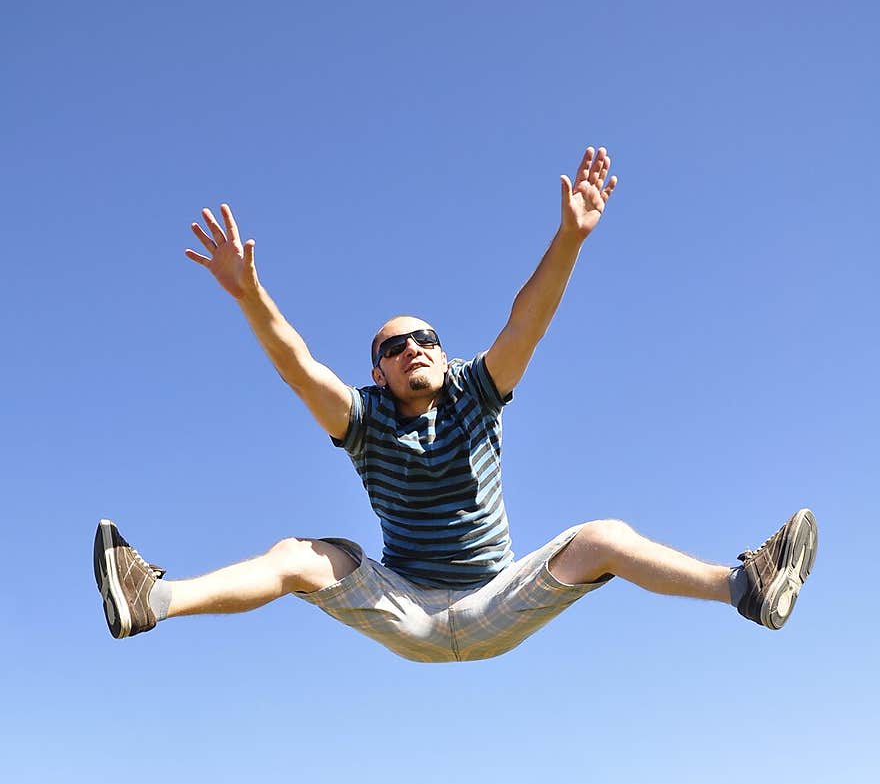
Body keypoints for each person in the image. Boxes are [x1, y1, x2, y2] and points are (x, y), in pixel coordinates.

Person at [93, 144, 817, 660]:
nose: (413, 346)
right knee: (300, 554)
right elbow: (297, 366)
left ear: (443, 350)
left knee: (602, 536)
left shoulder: (477, 389)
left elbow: (525, 322)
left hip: (497, 600)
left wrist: (569, 236)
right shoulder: (364, 421)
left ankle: (744, 587)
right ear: (376, 373)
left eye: (424, 337)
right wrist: (251, 297)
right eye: (393, 345)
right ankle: (154, 600)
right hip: (403, 607)